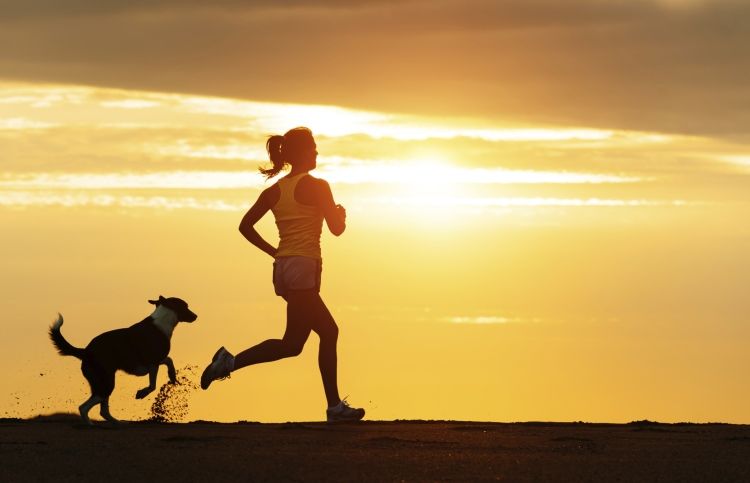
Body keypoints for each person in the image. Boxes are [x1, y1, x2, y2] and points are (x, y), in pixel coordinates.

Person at [200, 127, 365, 422]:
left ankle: (229, 362)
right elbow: (337, 229)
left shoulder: (275, 191)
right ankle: (334, 407)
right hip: (303, 268)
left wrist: (274, 252)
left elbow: (245, 226)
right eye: (313, 147)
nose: (316, 152)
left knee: (292, 344)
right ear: (301, 152)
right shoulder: (318, 186)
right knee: (329, 332)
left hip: (284, 270)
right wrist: (341, 214)